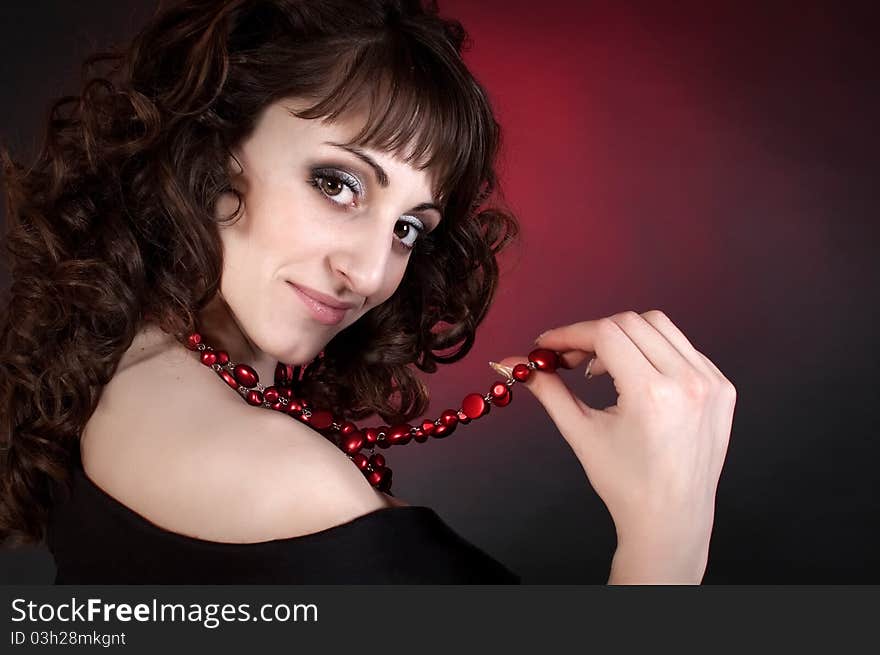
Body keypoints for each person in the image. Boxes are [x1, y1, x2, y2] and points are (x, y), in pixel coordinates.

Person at [0, 0, 736, 584]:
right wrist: (668, 536)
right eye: (337, 183)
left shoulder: (114, 353)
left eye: (410, 228)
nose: (372, 272)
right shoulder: (290, 485)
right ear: (211, 146)